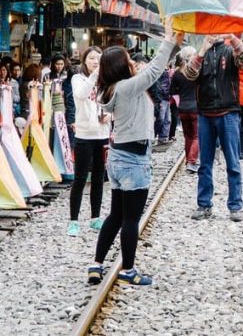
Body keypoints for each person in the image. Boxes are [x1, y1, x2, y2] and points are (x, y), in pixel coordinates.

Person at [88, 17, 182, 286]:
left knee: (116, 215)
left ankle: (96, 265)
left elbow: (153, 70)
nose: (132, 61)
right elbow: (153, 72)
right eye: (128, 59)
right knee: (130, 219)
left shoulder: (110, 89)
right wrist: (167, 38)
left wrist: (173, 45)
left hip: (118, 158)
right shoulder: (127, 88)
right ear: (120, 65)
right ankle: (128, 270)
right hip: (134, 159)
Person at [183, 33, 243, 222]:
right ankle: (204, 205)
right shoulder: (201, 53)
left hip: (228, 112)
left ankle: (235, 206)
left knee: (233, 162)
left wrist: (234, 38)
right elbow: (189, 74)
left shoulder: (230, 51)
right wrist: (203, 50)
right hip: (205, 113)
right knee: (205, 164)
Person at [68, 46, 112, 237]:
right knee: (79, 179)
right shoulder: (78, 78)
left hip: (102, 135)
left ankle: (95, 218)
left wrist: (110, 115)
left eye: (99, 58)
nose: (96, 61)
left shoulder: (107, 81)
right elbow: (81, 94)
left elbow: (111, 103)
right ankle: (74, 221)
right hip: (84, 135)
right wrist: (95, 75)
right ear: (85, 60)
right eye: (92, 58)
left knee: (99, 178)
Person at [170, 47, 200, 173]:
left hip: (182, 108)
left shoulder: (177, 73)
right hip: (195, 107)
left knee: (188, 136)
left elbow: (172, 91)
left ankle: (189, 160)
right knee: (197, 136)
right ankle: (192, 161)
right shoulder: (196, 71)